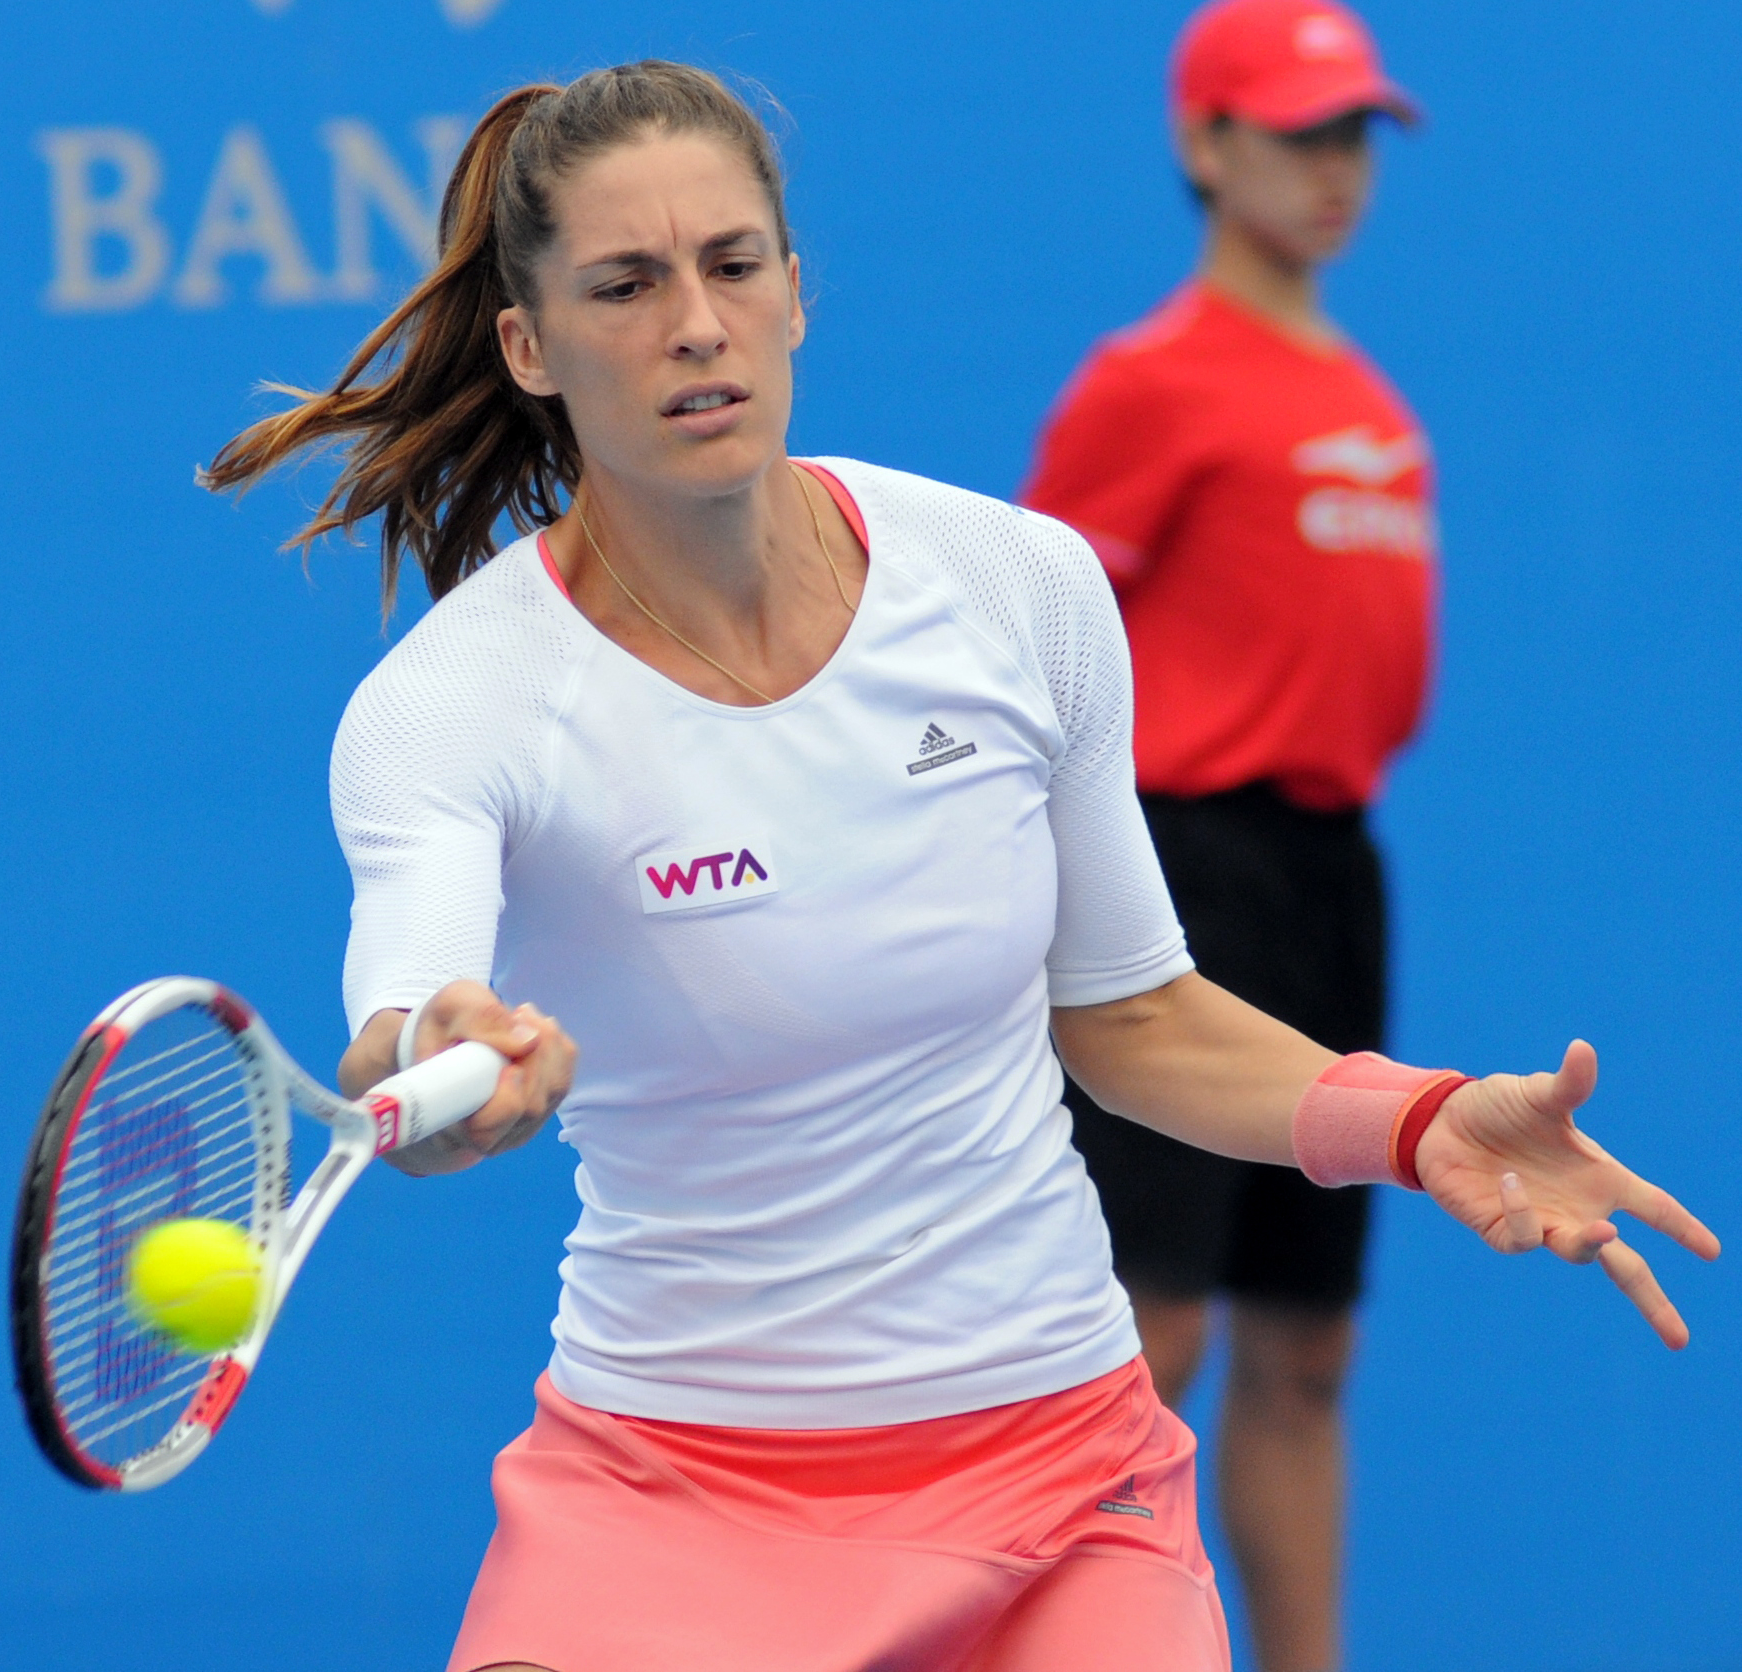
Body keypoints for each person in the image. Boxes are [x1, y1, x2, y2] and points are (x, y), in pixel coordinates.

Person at [201, 61, 1716, 1672]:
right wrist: (443, 1063)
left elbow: (1133, 1019)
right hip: (672, 1498)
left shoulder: (1015, 585)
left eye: (732, 264)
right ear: (532, 345)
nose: (695, 325)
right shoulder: (452, 706)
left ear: (795, 292)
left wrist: (1414, 1122)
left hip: (1065, 1495)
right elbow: (412, 1023)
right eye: (625, 287)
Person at [1021, 3, 1437, 1665]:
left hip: (1333, 881)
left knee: (1305, 1341)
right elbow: (1031, 649)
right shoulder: (1149, 382)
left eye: (1354, 139)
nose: (1333, 173)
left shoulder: (1373, 397)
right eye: (1295, 134)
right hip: (1184, 876)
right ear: (1204, 147)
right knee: (1154, 1325)